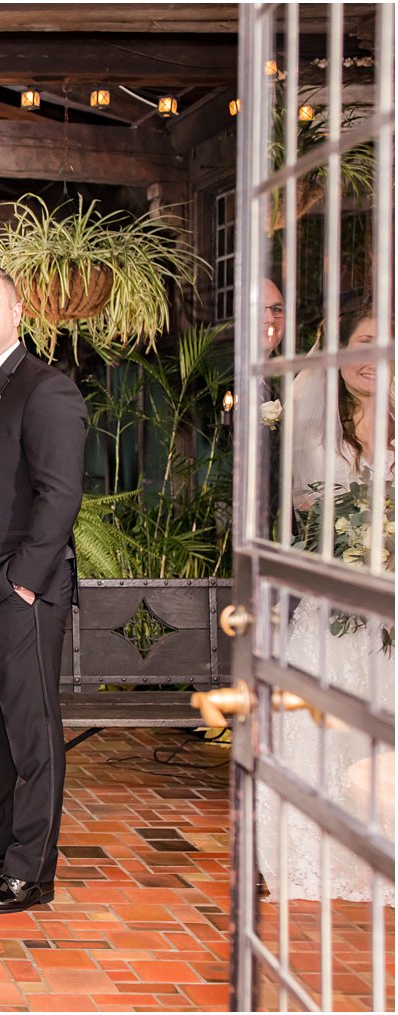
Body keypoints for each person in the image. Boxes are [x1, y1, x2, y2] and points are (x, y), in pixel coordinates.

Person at [0, 264, 87, 915]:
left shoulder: (45, 389)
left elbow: (60, 496)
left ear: (18, 311)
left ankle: (31, 870)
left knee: (32, 735)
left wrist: (24, 584)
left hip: (19, 591)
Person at [261, 302, 394, 905]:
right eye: (360, 343)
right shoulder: (311, 425)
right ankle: (317, 849)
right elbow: (294, 503)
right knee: (321, 721)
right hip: (328, 597)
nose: (369, 358)